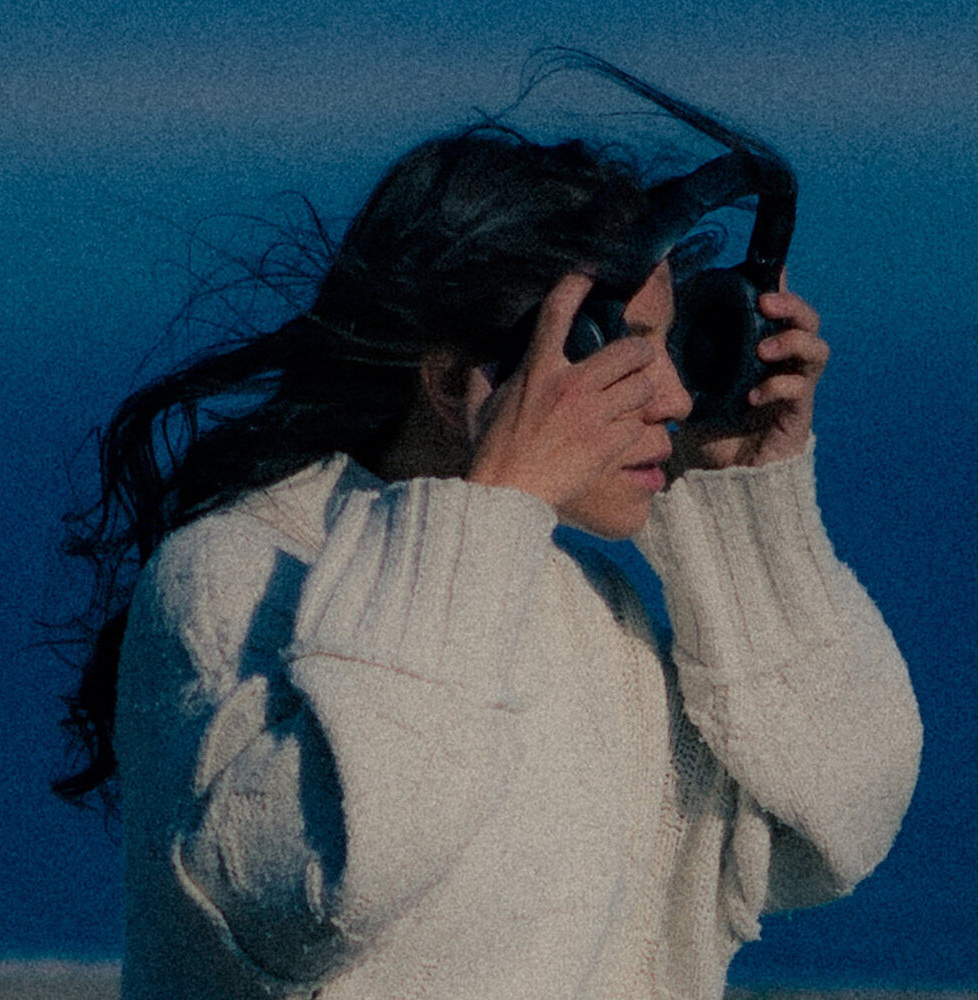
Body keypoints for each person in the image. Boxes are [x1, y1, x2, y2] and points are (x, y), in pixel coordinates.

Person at [54, 75, 922, 1000]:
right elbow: (325, 890)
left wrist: (742, 505)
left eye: (672, 351)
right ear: (451, 380)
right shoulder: (234, 573)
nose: (673, 399)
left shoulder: (595, 612)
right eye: (627, 352)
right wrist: (483, 514)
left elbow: (836, 820)